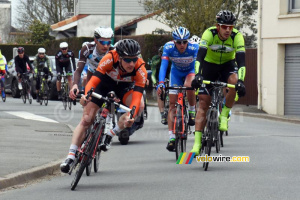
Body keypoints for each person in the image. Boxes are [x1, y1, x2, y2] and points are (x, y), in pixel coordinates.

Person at [60, 39, 147, 173]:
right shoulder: (110, 58)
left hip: (125, 88)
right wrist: (87, 95)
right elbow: (94, 80)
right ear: (120, 57)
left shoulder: (140, 68)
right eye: (128, 60)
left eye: (134, 59)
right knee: (86, 119)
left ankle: (111, 134)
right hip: (105, 84)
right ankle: (70, 156)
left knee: (139, 106)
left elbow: (136, 97)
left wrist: (132, 114)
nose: (131, 63)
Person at [190, 10, 246, 155]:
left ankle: (224, 115)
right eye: (224, 27)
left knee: (234, 81)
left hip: (227, 65)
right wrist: (197, 75)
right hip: (209, 66)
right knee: (203, 104)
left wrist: (241, 81)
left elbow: (241, 62)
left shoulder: (237, 37)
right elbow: (200, 57)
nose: (228, 30)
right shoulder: (209, 33)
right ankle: (197, 144)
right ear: (217, 26)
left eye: (231, 27)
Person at [156, 27, 199, 152]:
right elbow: (164, 66)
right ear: (174, 41)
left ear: (188, 41)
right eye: (179, 42)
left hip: (190, 72)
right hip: (176, 74)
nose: (182, 45)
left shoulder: (194, 47)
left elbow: (197, 65)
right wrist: (161, 83)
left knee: (189, 85)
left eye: (184, 42)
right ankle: (171, 138)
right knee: (172, 105)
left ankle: (191, 110)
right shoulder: (168, 47)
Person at [69, 26, 114, 99]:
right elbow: (78, 70)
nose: (105, 46)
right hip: (92, 72)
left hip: (107, 75)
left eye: (108, 42)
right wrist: (75, 85)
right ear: (95, 40)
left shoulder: (113, 51)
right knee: (88, 99)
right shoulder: (87, 49)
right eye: (102, 42)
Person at [150, 46, 171, 125]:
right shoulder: (156, 60)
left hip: (169, 76)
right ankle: (162, 114)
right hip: (159, 77)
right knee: (159, 93)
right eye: (161, 54)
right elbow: (153, 73)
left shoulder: (171, 60)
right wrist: (155, 83)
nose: (162, 56)